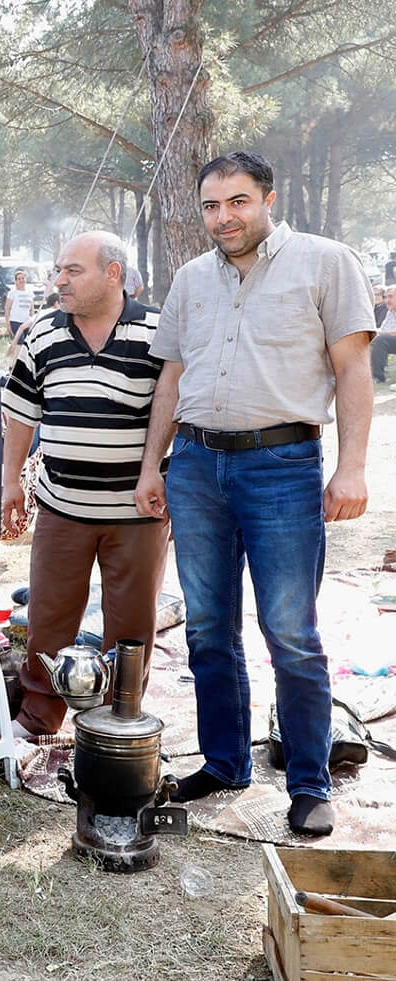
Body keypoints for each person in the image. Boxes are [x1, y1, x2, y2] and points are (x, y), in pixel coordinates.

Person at [134, 151, 374, 837]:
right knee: (208, 628)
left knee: (290, 632)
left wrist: (351, 469)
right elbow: (170, 382)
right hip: (198, 467)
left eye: (237, 202)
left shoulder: (325, 263)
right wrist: (155, 465)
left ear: (269, 198)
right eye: (211, 206)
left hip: (283, 465)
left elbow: (353, 371)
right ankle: (224, 761)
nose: (223, 218)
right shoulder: (189, 279)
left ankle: (308, 780)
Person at [0, 231, 168, 738]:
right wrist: (10, 481)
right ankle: (38, 717)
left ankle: (120, 720)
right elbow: (21, 414)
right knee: (48, 619)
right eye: (58, 270)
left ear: (113, 274)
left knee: (132, 626)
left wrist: (157, 472)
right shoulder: (42, 333)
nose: (60, 280)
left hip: (137, 513)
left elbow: (173, 412)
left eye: (73, 270)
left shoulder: (158, 332)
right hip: (62, 506)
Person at [370, 286, 396, 384]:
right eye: (385, 297)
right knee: (368, 338)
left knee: (381, 339)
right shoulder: (390, 312)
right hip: (391, 340)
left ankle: (378, 376)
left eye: (390, 297)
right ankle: (370, 372)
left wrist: (380, 333)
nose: (387, 300)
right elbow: (383, 329)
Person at [4, 269, 35, 340]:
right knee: (19, 343)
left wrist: (32, 322)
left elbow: (32, 309)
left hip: (27, 322)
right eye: (19, 279)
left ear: (26, 279)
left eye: (23, 278)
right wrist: (8, 325)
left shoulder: (30, 292)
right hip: (15, 322)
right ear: (16, 281)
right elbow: (7, 309)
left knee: (27, 342)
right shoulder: (12, 293)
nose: (21, 280)